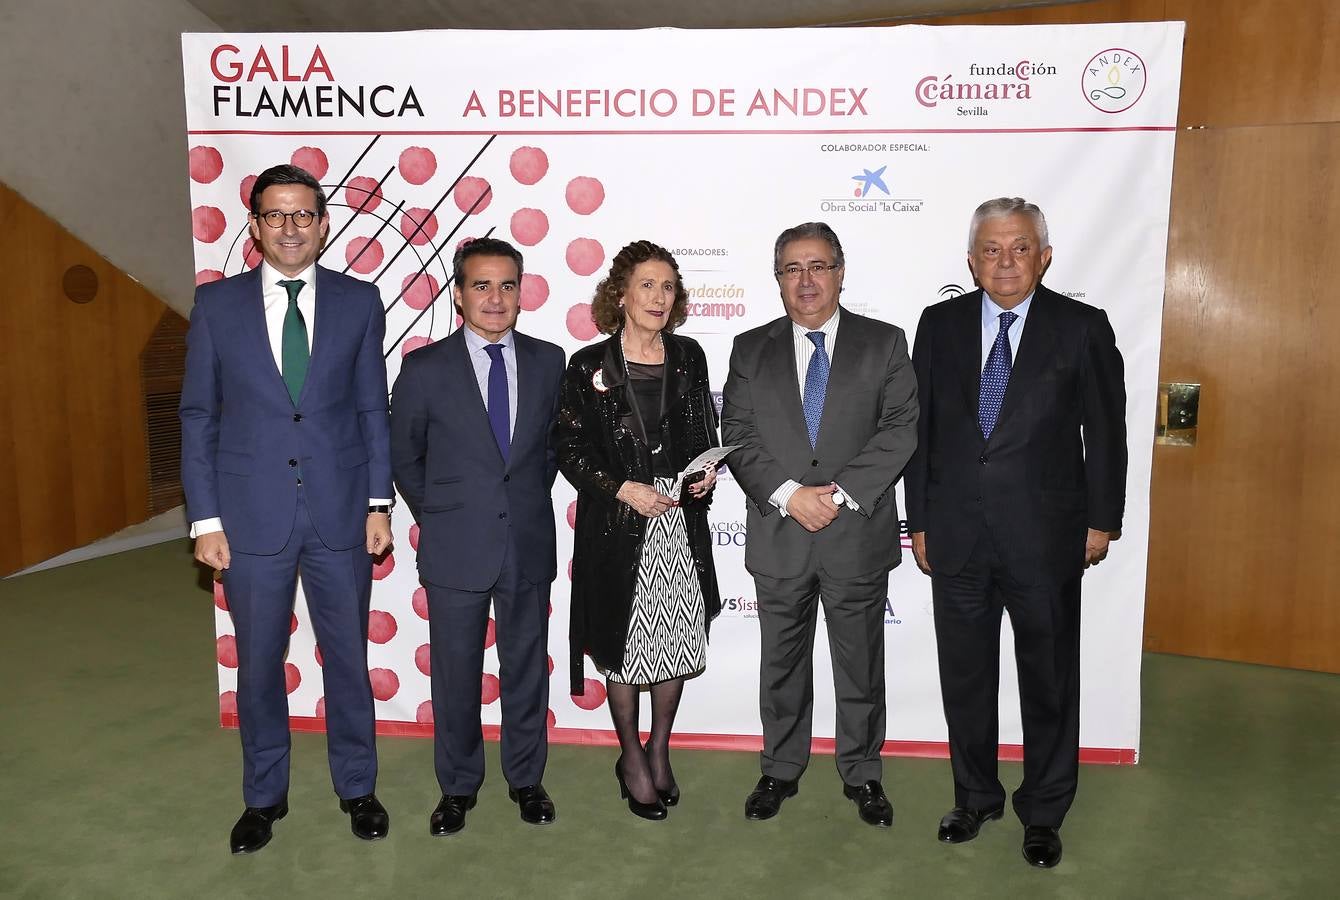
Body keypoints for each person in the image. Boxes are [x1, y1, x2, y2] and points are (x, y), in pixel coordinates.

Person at [904, 197, 1127, 868]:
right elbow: (921, 432)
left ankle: (1044, 811)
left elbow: (1106, 435)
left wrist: (1101, 520)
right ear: (972, 262)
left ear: (1045, 256)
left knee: (1049, 680)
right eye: (992, 250)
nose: (1005, 262)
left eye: (1020, 248)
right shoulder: (938, 324)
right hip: (957, 537)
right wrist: (917, 521)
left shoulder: (1082, 327)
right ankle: (974, 797)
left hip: (1048, 537)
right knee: (965, 677)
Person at [179, 163, 393, 854]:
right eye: (276, 215)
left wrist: (378, 501)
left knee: (348, 660)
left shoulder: (361, 302)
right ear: (254, 226)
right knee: (259, 662)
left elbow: (370, 409)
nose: (291, 228)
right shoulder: (217, 307)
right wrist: (205, 518)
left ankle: (357, 787)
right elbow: (197, 415)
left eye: (304, 215)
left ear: (324, 224)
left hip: (339, 513)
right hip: (248, 519)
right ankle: (263, 797)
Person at [721, 222, 918, 828]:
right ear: (778, 279)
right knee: (781, 664)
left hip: (855, 534)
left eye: (818, 266)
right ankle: (780, 768)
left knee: (859, 663)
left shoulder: (884, 343)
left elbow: (900, 428)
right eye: (792, 269)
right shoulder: (750, 348)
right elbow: (738, 435)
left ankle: (862, 773)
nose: (806, 280)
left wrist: (838, 494)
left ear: (840, 270)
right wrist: (788, 494)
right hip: (780, 535)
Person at [390, 237, 566, 835]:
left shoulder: (549, 362)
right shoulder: (423, 368)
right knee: (455, 673)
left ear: (522, 292)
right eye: (482, 286)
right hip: (454, 545)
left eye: (508, 285)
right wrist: (442, 514)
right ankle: (458, 787)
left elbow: (546, 456)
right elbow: (404, 457)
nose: (496, 298)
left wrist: (514, 508)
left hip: (526, 542)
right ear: (459, 294)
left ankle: (526, 778)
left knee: (525, 669)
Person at [555, 240, 722, 820]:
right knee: (625, 650)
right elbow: (569, 450)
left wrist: (704, 478)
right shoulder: (587, 365)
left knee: (675, 644)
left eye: (668, 287)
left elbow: (705, 432)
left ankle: (660, 748)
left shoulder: (690, 356)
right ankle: (630, 756)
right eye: (647, 285)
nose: (658, 297)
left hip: (678, 522)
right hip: (618, 528)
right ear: (620, 294)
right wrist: (621, 488)